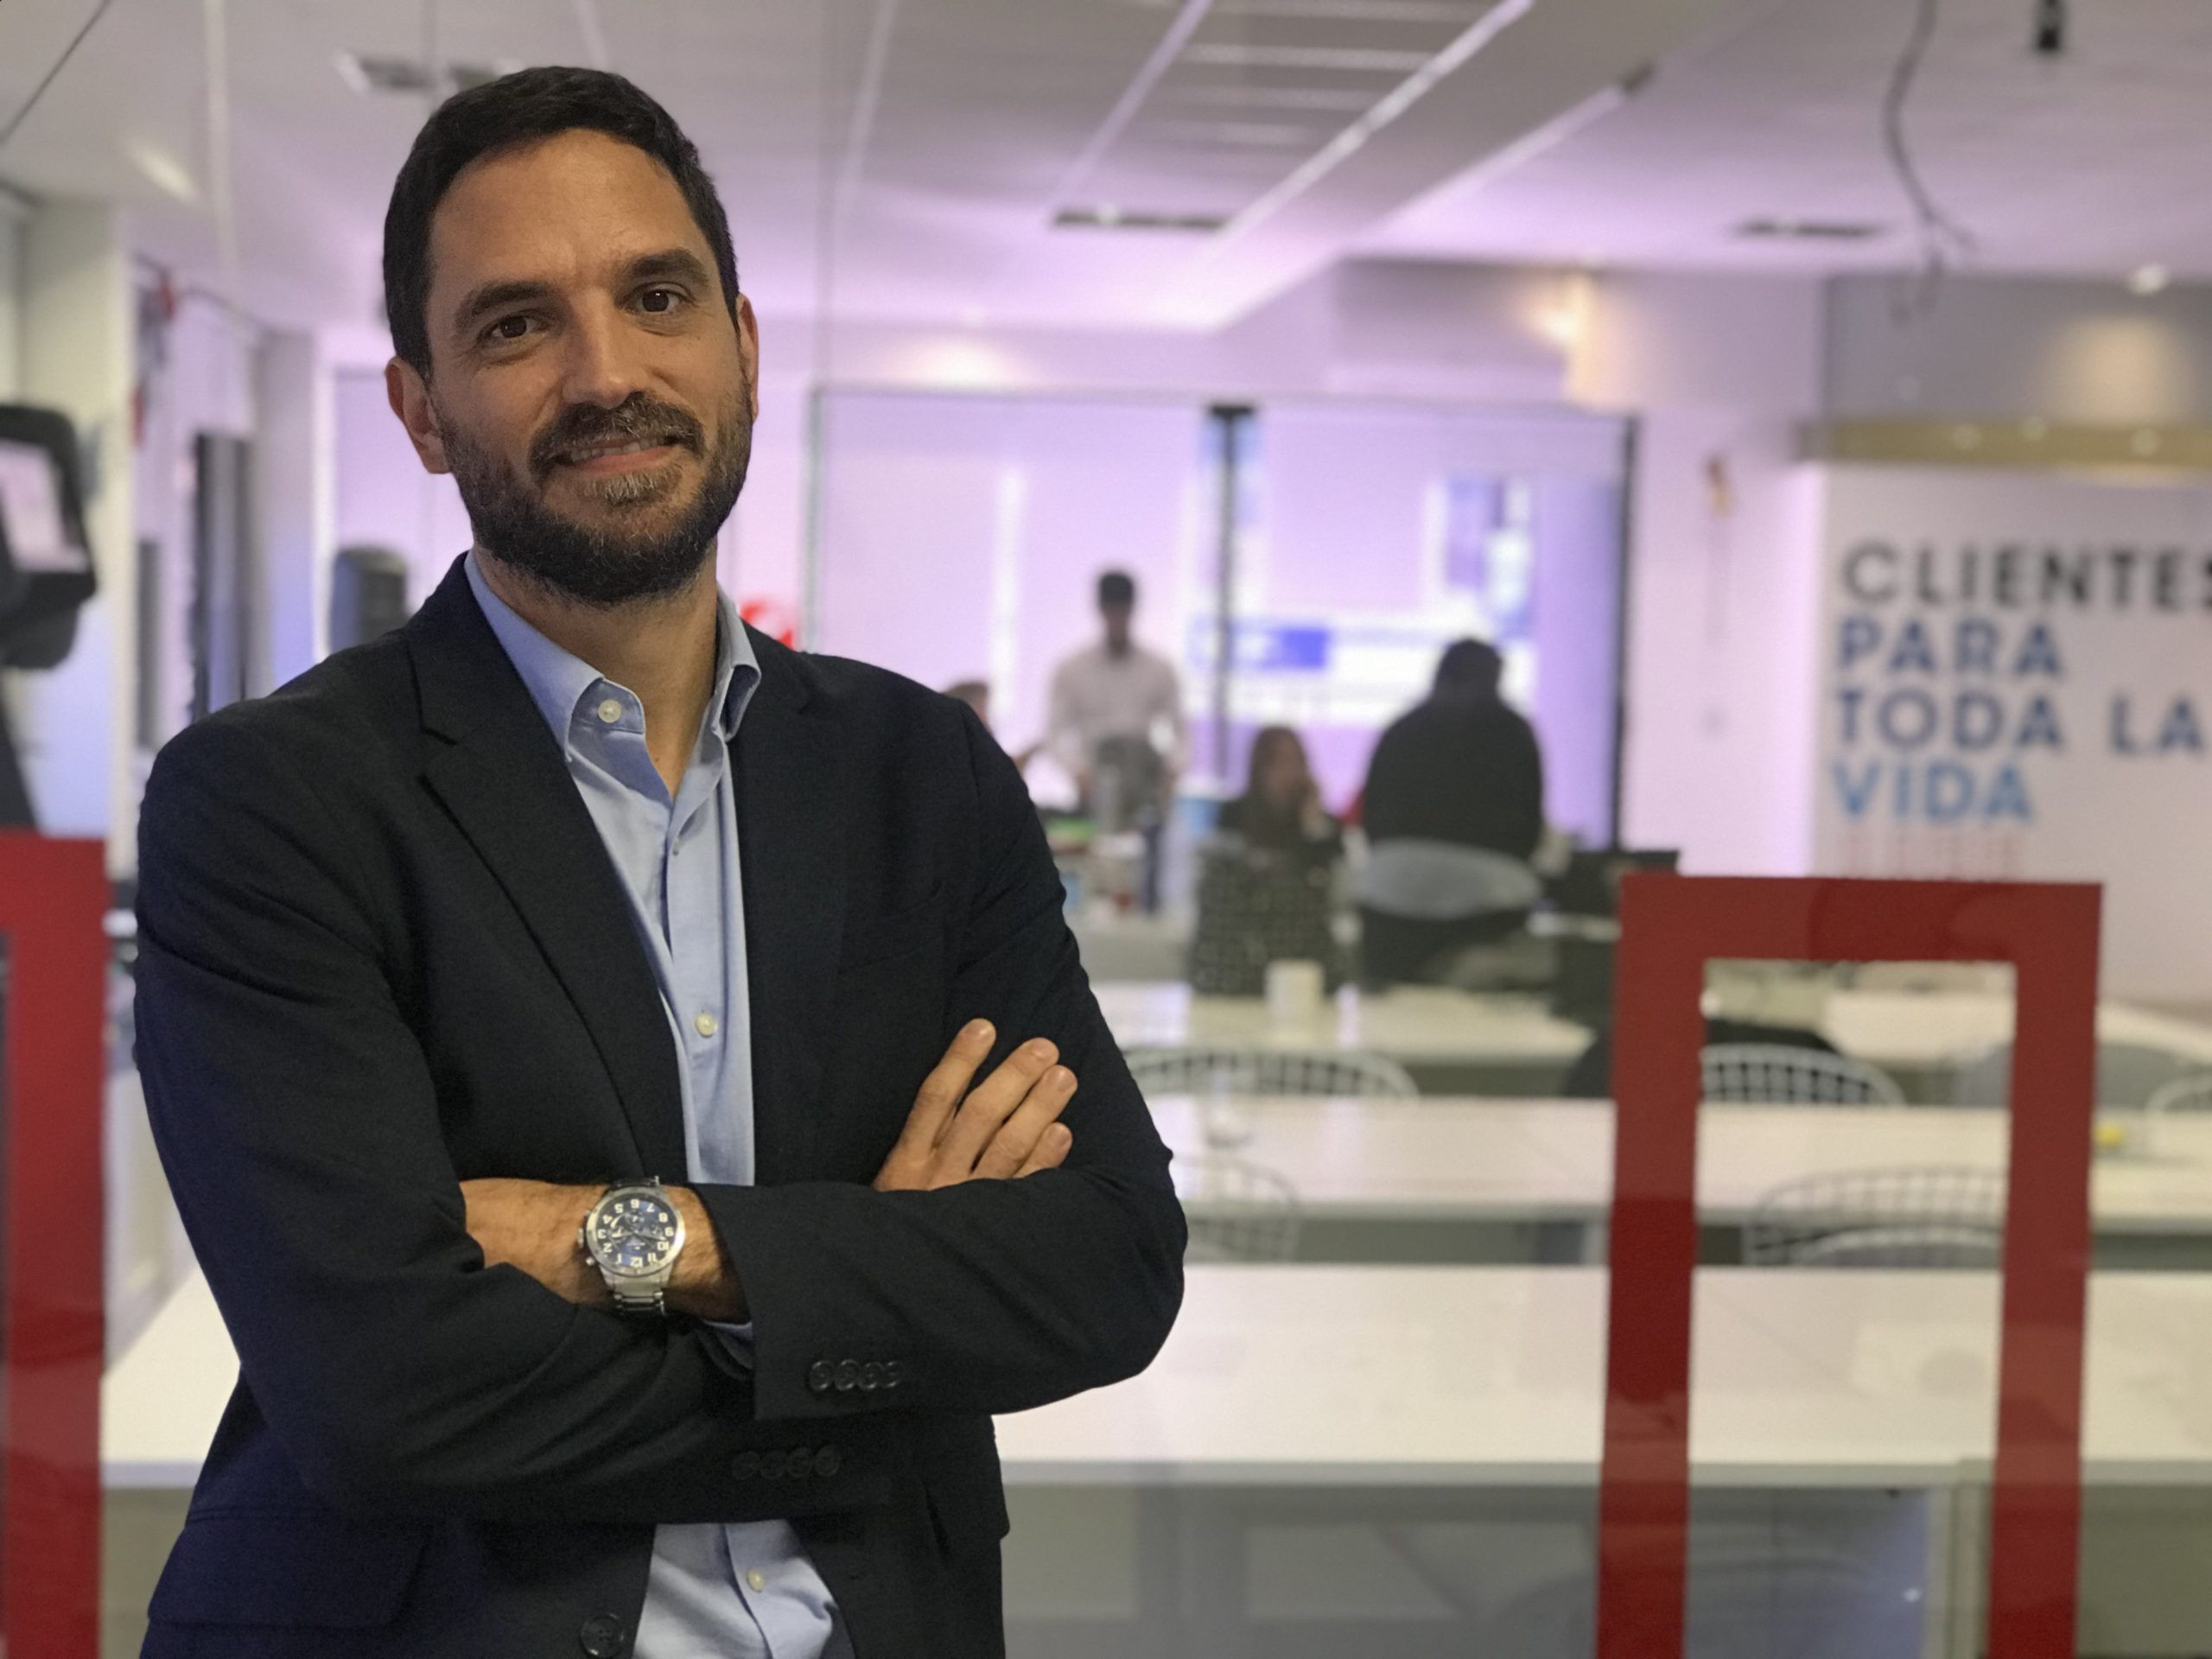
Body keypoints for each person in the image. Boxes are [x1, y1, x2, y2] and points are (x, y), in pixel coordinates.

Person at [130, 68, 1183, 1659]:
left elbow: (1107, 1265)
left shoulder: (925, 778)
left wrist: (631, 1241)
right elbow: (384, 1396)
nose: (608, 372)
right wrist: (868, 1322)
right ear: (421, 410)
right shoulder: (276, 803)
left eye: (658, 296)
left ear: (744, 346)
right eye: (515, 325)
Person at [1355, 638, 1547, 988]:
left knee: (1394, 999)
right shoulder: (1515, 733)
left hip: (1390, 895)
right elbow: (1528, 831)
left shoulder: (1401, 729)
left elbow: (1372, 819)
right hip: (1489, 899)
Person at [1190, 727, 1344, 995]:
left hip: (1301, 946)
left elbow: (1328, 873)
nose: (1288, 771)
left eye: (1295, 761)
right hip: (1242, 945)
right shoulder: (1235, 813)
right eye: (1278, 761)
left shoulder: (1318, 821)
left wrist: (1312, 820)